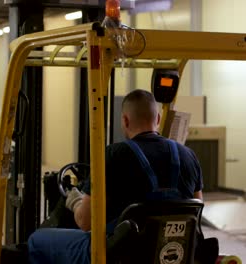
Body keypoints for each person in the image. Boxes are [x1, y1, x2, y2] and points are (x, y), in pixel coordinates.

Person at [28, 89, 203, 264]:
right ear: (157, 119)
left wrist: (75, 201)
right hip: (174, 253)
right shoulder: (189, 155)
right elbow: (197, 212)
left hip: (119, 254)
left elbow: (85, 222)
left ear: (125, 120)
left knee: (37, 241)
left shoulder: (113, 155)